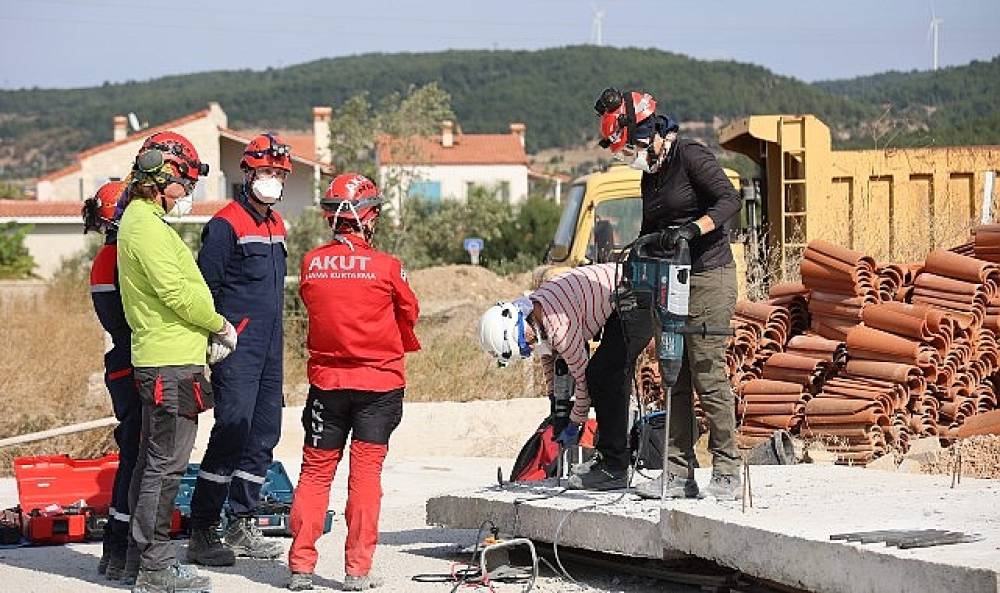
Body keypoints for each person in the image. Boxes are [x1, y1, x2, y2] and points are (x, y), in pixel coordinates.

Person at [593, 87, 743, 500]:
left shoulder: (690, 155)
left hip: (709, 277)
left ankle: (728, 468)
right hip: (669, 282)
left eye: (633, 146)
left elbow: (729, 200)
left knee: (708, 373)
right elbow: (648, 230)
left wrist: (695, 229)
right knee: (674, 375)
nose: (632, 155)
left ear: (650, 130)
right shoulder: (650, 175)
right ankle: (678, 472)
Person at [286, 173, 420, 591]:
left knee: (315, 472)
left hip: (327, 383)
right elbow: (409, 313)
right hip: (378, 386)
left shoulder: (311, 262)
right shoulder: (388, 267)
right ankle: (357, 571)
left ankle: (301, 567)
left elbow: (313, 304)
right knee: (365, 476)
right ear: (368, 215)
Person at [117, 131, 236, 593]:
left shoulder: (146, 221)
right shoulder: (144, 226)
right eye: (184, 183)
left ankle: (137, 561)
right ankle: (154, 567)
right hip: (168, 364)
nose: (187, 193)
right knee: (165, 468)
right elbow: (174, 292)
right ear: (162, 177)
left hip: (172, 358)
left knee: (155, 464)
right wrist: (217, 323)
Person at [187, 133, 291, 565]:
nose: (271, 179)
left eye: (278, 174)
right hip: (236, 346)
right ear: (247, 173)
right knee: (232, 431)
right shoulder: (225, 224)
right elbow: (204, 285)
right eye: (265, 171)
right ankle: (204, 527)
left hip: (271, 346)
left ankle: (242, 521)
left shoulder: (277, 223)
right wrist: (212, 338)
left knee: (264, 433)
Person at [478, 263, 628, 490]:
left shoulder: (559, 329)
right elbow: (547, 357)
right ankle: (610, 462)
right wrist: (554, 401)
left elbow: (583, 383)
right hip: (616, 294)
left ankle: (613, 466)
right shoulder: (534, 311)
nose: (530, 345)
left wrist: (574, 423)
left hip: (631, 292)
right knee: (601, 375)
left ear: (518, 326)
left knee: (603, 377)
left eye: (526, 343)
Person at [83, 180, 143, 580]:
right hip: (132, 364)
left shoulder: (107, 258)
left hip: (121, 366)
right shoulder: (118, 259)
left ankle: (115, 552)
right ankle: (121, 549)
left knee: (133, 457)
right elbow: (129, 325)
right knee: (137, 459)